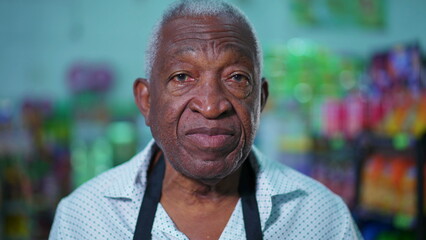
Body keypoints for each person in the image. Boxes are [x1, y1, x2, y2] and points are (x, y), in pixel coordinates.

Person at [49, 0, 362, 239]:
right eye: (183, 76)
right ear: (146, 101)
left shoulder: (322, 217)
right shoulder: (84, 218)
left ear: (261, 100)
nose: (212, 106)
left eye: (236, 77)